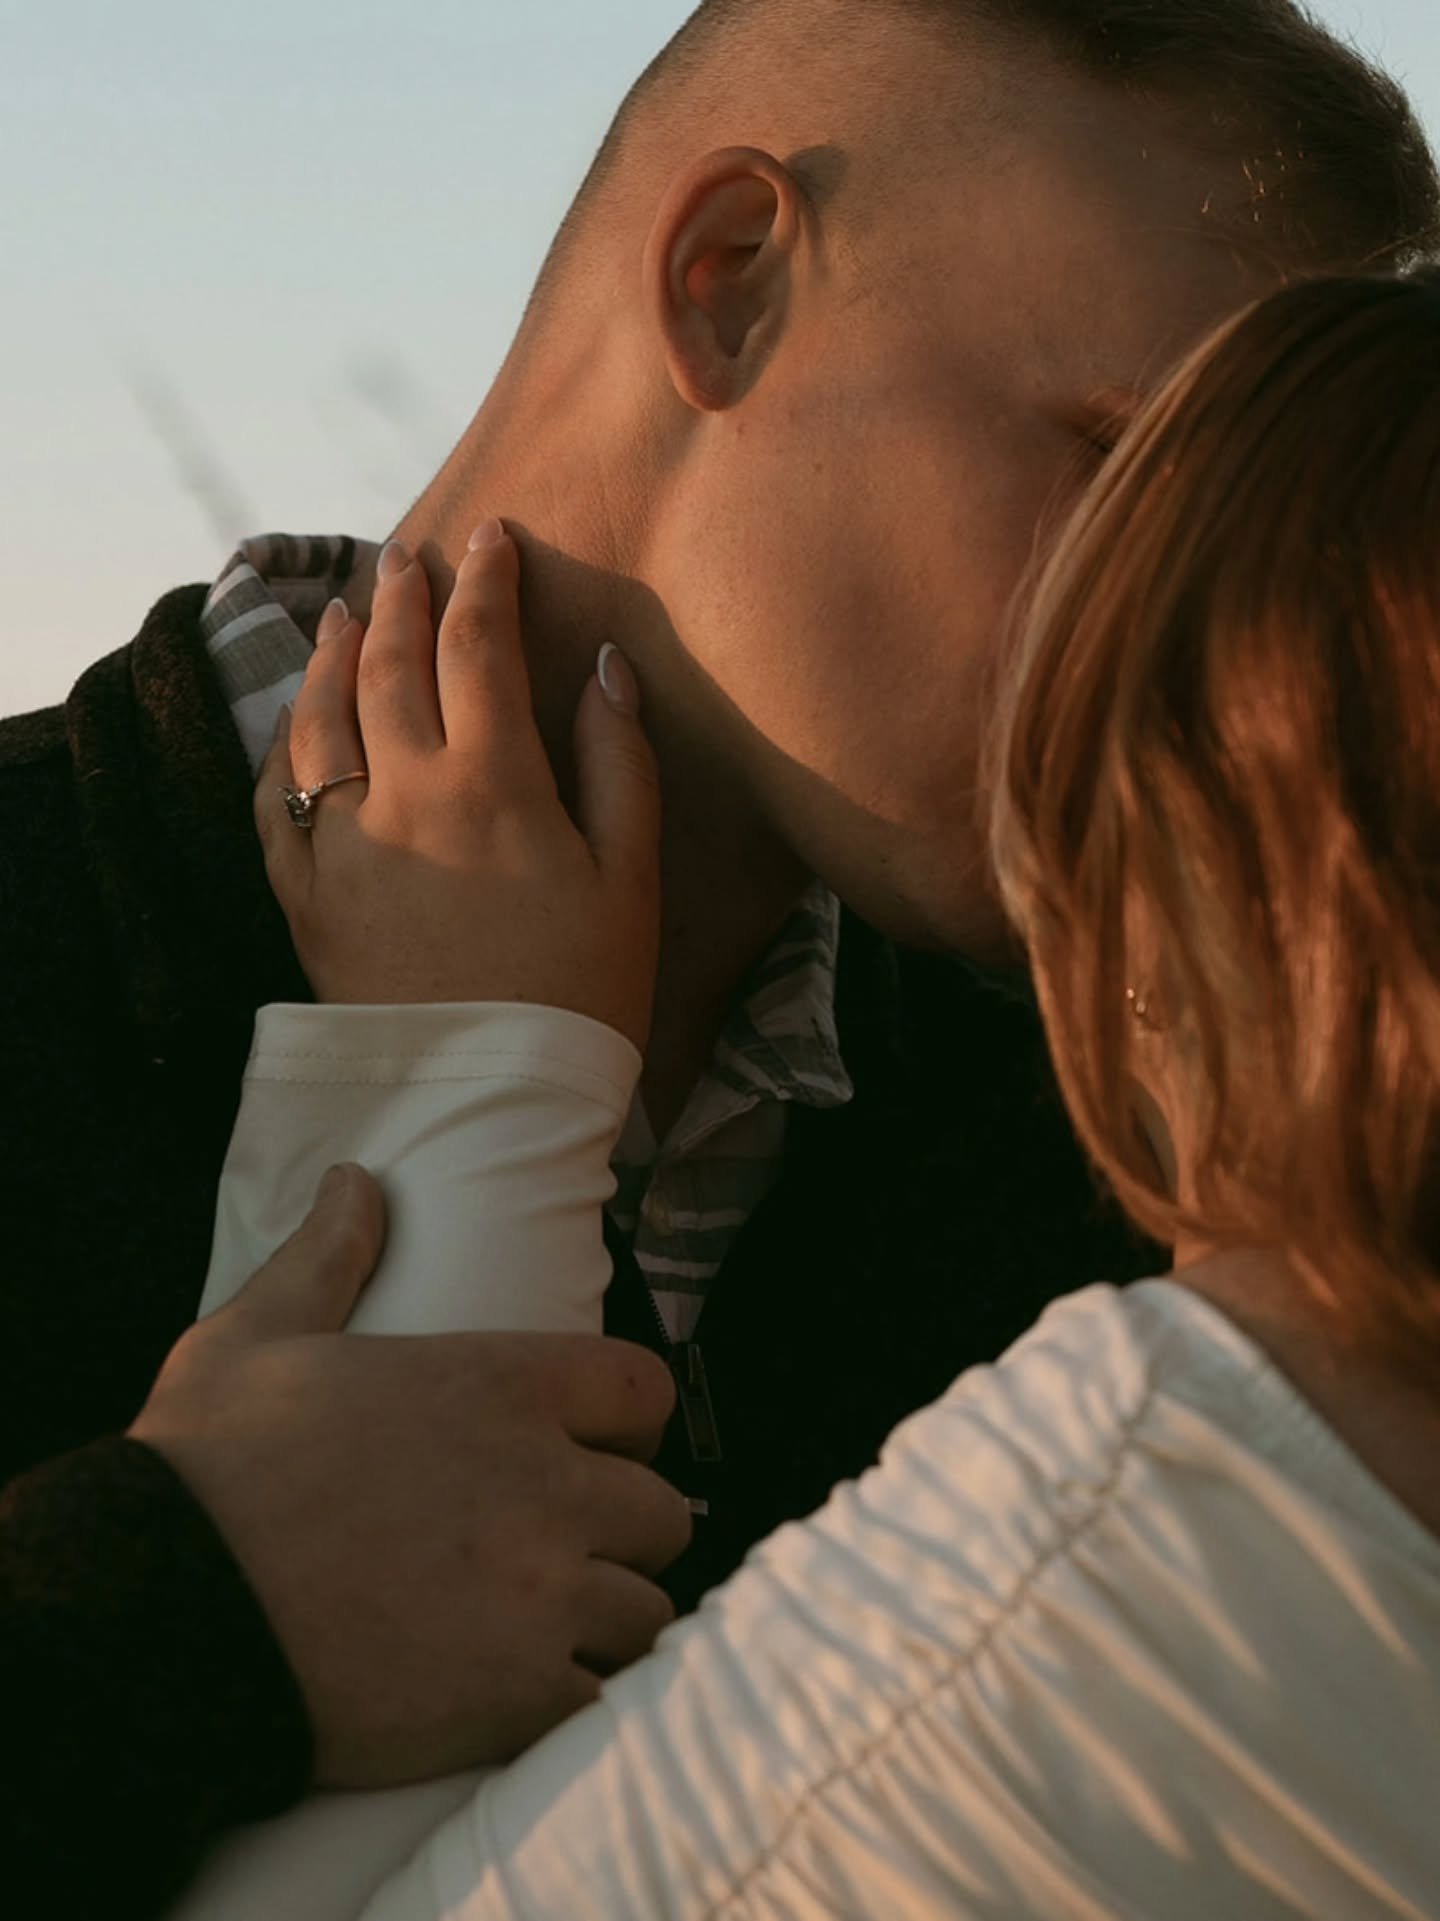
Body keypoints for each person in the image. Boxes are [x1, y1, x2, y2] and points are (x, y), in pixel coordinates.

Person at [2, 3, 1437, 1914]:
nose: (1167, 640)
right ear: (732, 282)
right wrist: (173, 1598)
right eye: (1108, 466)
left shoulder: (1115, 1181)